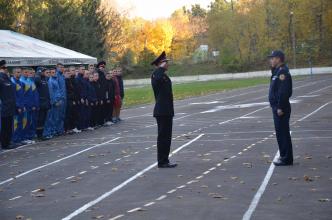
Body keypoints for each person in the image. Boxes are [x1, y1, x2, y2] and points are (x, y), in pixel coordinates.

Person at [151, 51, 177, 168]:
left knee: (167, 137)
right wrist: (160, 68)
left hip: (167, 110)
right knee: (163, 137)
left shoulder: (163, 75)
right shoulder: (156, 74)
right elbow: (157, 80)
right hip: (161, 111)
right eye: (165, 62)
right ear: (161, 64)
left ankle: (165, 160)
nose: (168, 64)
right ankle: (162, 161)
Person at [268, 50, 293, 166]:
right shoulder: (276, 71)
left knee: (283, 133)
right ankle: (284, 156)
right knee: (280, 133)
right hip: (277, 108)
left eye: (273, 58)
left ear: (278, 59)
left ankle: (286, 158)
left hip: (280, 108)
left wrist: (280, 107)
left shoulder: (282, 72)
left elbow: (284, 92)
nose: (271, 60)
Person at [0, 60, 16, 149]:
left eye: (6, 68)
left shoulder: (7, 78)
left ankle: (8, 142)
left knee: (9, 125)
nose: (6, 69)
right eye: (4, 68)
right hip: (4, 106)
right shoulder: (1, 78)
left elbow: (12, 89)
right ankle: (4, 143)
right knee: (4, 126)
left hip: (10, 105)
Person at [43, 68, 62, 138]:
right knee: (51, 119)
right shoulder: (50, 81)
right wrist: (54, 102)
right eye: (52, 72)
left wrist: (60, 99)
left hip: (57, 101)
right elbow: (51, 93)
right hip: (53, 103)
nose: (54, 73)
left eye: (54, 72)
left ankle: (53, 131)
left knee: (55, 118)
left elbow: (58, 91)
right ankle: (49, 132)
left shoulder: (55, 80)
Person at [35, 68, 51, 140]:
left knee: (43, 120)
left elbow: (47, 93)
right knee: (40, 120)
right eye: (43, 71)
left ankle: (41, 134)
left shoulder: (45, 79)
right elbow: (36, 81)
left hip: (46, 102)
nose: (44, 73)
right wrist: (38, 74)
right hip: (40, 103)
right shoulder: (38, 79)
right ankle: (39, 136)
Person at [11, 67, 25, 144]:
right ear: (13, 73)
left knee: (21, 123)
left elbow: (22, 95)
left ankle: (19, 139)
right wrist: (18, 106)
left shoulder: (20, 82)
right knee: (15, 124)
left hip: (22, 106)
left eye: (19, 72)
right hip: (16, 107)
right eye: (17, 72)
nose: (18, 74)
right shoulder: (13, 82)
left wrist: (23, 106)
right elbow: (14, 96)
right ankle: (14, 139)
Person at [65, 66, 81, 133]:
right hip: (70, 100)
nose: (73, 71)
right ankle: (69, 128)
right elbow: (69, 91)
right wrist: (73, 99)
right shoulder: (67, 80)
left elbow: (77, 90)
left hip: (76, 99)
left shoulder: (75, 79)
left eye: (74, 70)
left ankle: (74, 127)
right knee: (70, 114)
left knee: (75, 114)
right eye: (72, 70)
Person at [56, 63, 66, 135]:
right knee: (58, 116)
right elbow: (57, 89)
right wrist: (58, 98)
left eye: (63, 67)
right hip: (59, 98)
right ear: (57, 67)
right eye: (60, 67)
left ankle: (61, 129)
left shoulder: (62, 76)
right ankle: (57, 130)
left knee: (62, 115)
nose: (62, 68)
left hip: (64, 98)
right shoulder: (56, 75)